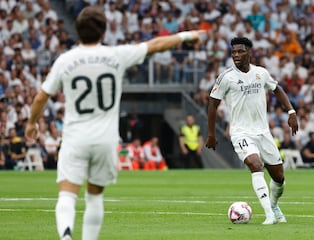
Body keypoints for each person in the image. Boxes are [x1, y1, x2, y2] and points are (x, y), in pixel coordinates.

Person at [24, 6, 207, 240]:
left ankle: (66, 236)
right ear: (103, 31)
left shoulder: (65, 60)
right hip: (105, 140)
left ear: (77, 32)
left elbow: (41, 96)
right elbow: (155, 45)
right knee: (94, 197)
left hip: (74, 138)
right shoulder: (116, 55)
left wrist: (31, 123)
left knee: (67, 195)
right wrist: (185, 35)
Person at [206, 37, 298, 225]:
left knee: (279, 178)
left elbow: (277, 89)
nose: (236, 55)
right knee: (255, 165)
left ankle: (273, 205)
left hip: (263, 133)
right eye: (233, 52)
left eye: (240, 51)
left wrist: (291, 111)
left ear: (250, 52)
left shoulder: (260, 73)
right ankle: (269, 215)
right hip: (241, 133)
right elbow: (212, 105)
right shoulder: (226, 77)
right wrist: (211, 134)